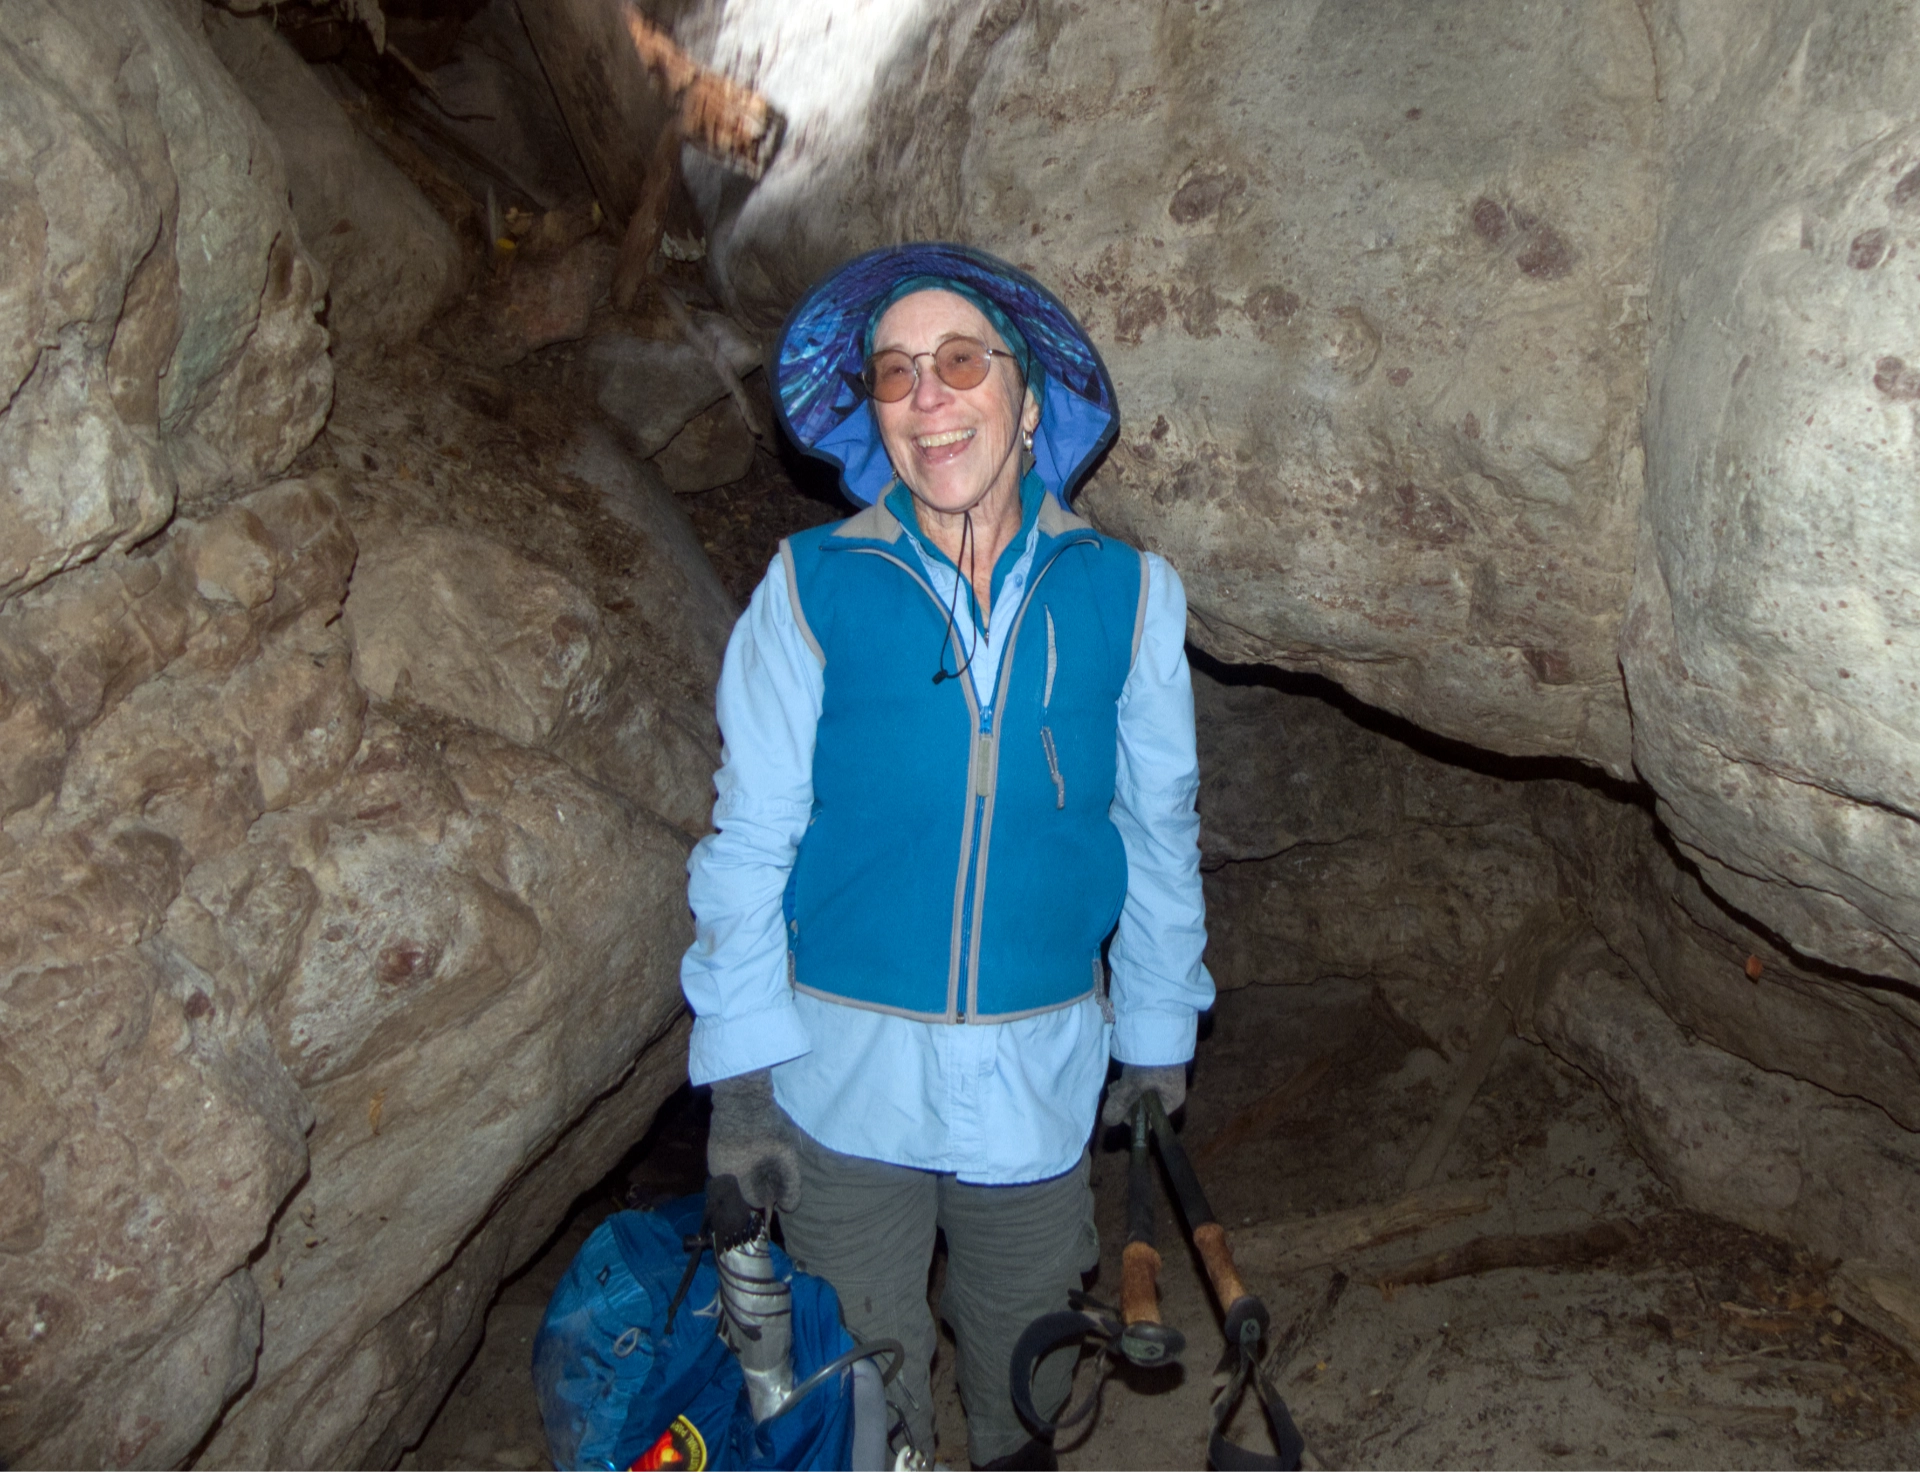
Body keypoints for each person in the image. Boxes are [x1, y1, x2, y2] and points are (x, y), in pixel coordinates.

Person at [680, 242, 1214, 1472]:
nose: (927, 396)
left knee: (1028, 1381)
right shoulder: (810, 586)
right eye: (895, 372)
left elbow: (1157, 829)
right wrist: (743, 1078)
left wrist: (1158, 1035)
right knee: (864, 1408)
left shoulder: (1130, 596)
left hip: (1038, 1079)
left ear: (1028, 402)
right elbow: (749, 841)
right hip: (839, 1082)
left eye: (960, 361)